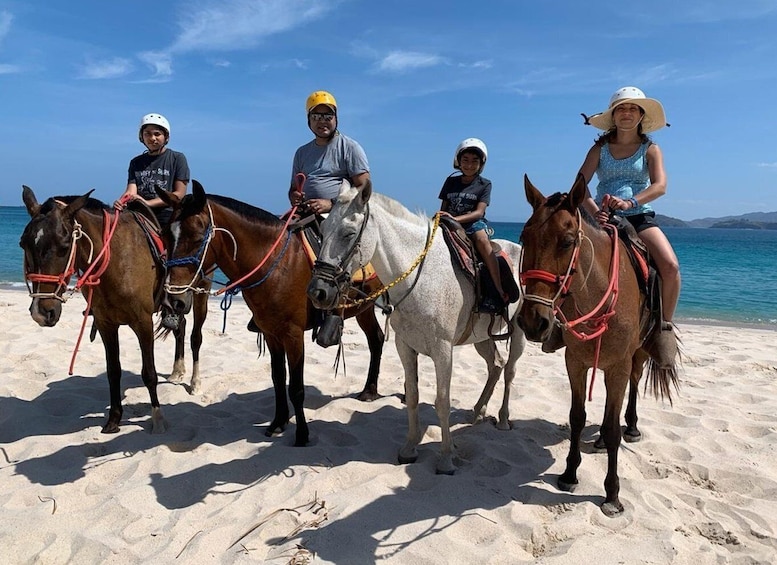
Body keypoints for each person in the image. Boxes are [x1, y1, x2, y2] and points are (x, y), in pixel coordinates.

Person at [577, 86, 681, 365]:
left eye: (633, 108)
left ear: (641, 115)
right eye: (621, 108)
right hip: (601, 215)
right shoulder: (599, 147)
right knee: (566, 257)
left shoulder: (651, 149)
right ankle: (557, 326)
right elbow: (580, 185)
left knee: (670, 266)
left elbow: (660, 186)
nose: (626, 113)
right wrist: (597, 211)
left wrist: (631, 203)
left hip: (637, 215)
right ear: (613, 115)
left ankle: (664, 329)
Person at [438, 138, 509, 307]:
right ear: (459, 162)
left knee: (483, 241)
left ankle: (497, 288)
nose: (469, 165)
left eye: (474, 161)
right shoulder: (450, 182)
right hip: (449, 222)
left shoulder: (485, 184)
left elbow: (479, 212)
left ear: (481, 164)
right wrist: (443, 218)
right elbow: (444, 206)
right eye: (465, 160)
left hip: (472, 224)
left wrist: (455, 219)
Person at [289, 90, 370, 215]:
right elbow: (294, 189)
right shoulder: (301, 153)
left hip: (339, 216)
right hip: (305, 213)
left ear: (335, 118)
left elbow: (364, 189)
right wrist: (294, 196)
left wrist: (331, 203)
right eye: (316, 116)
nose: (322, 121)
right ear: (309, 120)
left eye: (328, 116)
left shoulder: (350, 147)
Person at [114, 113, 190, 226]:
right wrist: (121, 201)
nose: (152, 138)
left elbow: (179, 194)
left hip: (166, 212)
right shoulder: (136, 162)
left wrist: (149, 203)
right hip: (140, 212)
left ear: (166, 137)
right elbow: (131, 191)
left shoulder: (177, 158)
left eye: (157, 134)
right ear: (142, 137)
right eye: (147, 134)